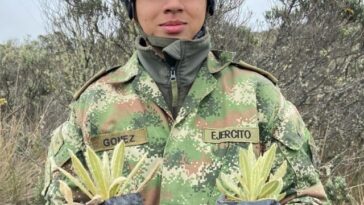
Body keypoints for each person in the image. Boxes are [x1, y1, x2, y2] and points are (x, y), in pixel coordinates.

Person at [42, 0, 328, 204]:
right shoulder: (92, 104)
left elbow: (307, 196)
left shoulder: (258, 96)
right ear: (132, 5)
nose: (173, 4)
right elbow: (59, 197)